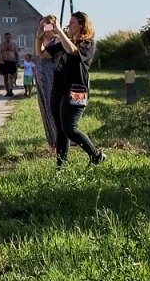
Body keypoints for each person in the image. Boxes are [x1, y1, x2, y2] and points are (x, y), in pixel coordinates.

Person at [40, 11, 103, 167]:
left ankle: (96, 155)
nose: (69, 25)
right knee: (60, 130)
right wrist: (39, 36)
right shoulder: (63, 43)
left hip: (77, 90)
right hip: (59, 90)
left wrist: (59, 30)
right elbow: (40, 52)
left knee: (70, 128)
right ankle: (62, 165)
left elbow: (72, 51)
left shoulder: (88, 43)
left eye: (72, 22)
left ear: (82, 24)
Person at [32, 14, 61, 155]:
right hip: (41, 81)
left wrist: (39, 38)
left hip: (52, 80)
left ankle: (59, 145)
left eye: (47, 25)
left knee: (53, 112)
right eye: (41, 25)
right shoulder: (40, 41)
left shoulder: (57, 41)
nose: (44, 28)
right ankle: (52, 145)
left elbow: (43, 54)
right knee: (45, 112)